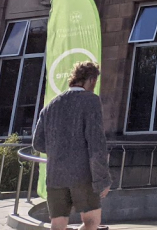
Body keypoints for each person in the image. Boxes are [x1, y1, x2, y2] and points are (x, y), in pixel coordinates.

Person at [32, 61, 112, 230]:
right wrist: (102, 179)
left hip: (55, 176)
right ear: (91, 79)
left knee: (58, 224)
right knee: (91, 222)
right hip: (83, 176)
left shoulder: (51, 105)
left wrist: (60, 150)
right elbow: (96, 143)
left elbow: (37, 142)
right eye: (95, 81)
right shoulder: (91, 101)